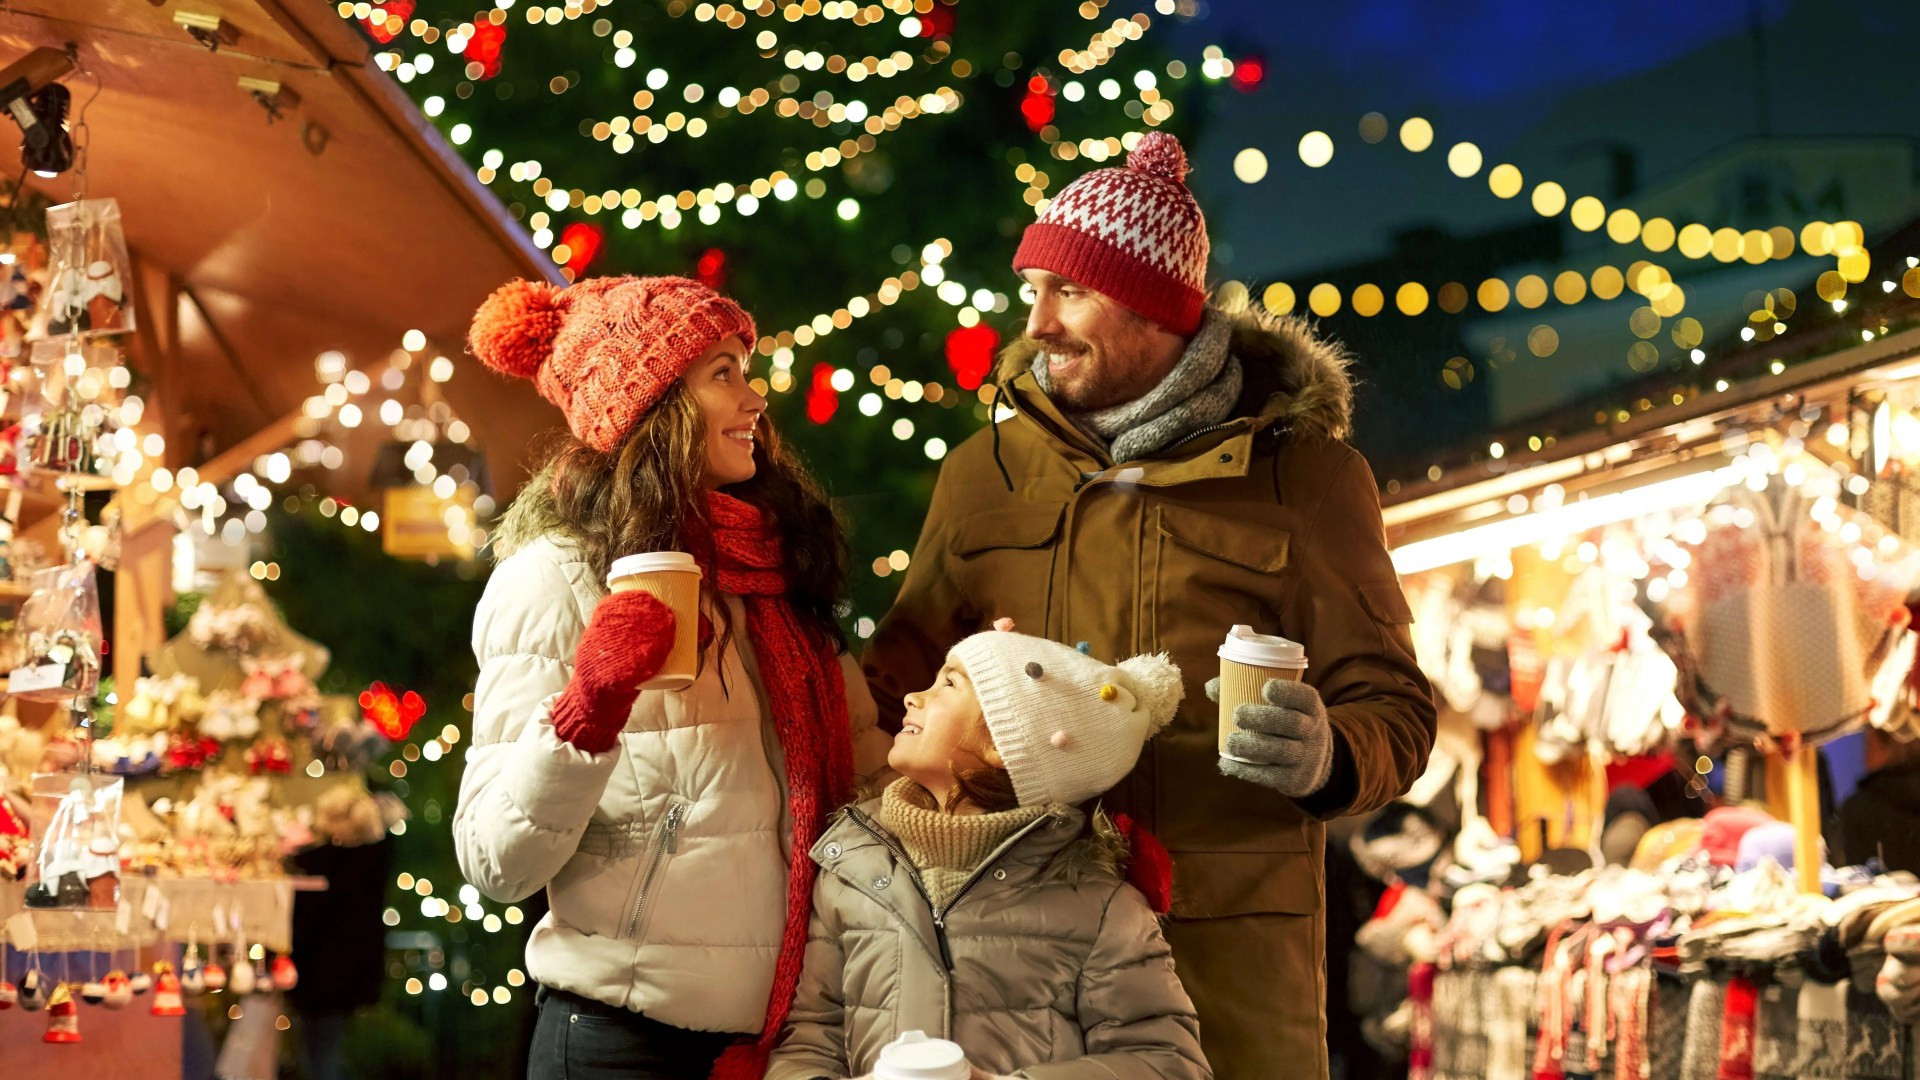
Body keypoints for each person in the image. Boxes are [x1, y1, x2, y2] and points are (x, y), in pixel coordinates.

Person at [864, 132, 1436, 1077]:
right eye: (1033, 291)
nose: (1037, 325)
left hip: (1223, 971)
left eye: (1071, 292)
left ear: (1157, 309)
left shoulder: (1305, 478)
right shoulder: (981, 475)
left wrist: (1329, 752)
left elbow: (1399, 711)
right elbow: (890, 691)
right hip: (1014, 975)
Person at [454, 275, 890, 1079]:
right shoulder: (553, 579)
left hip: (797, 1042)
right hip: (622, 1045)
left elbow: (871, 790)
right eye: (722, 372)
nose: (755, 399)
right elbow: (495, 862)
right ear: (648, 406)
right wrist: (587, 712)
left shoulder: (779, 565)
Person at [770, 629, 1210, 1080]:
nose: (910, 697)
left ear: (1003, 742)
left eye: (948, 684)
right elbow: (811, 1040)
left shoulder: (1099, 906)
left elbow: (1166, 1062)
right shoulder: (852, 868)